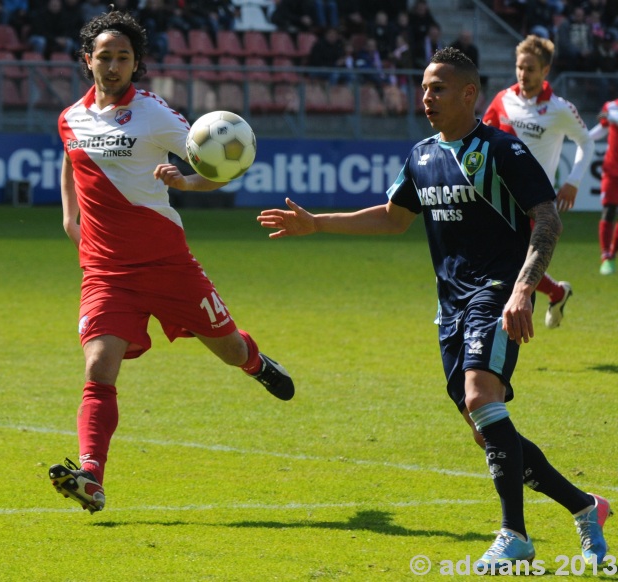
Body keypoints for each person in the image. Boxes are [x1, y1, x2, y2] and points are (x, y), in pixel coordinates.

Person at [258, 47, 611, 570]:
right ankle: (586, 507)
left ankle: (515, 535)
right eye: (424, 88)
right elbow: (393, 217)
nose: (427, 97)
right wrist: (319, 223)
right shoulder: (422, 155)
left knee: (479, 395)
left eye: (439, 88)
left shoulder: (501, 151)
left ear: (470, 94)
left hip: (494, 292)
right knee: (486, 427)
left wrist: (522, 290)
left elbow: (547, 220)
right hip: (449, 307)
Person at [47, 9, 295, 514]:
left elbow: (214, 164)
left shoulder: (154, 113)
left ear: (136, 63)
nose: (113, 66)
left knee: (226, 349)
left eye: (123, 57)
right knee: (99, 364)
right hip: (105, 271)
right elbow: (70, 164)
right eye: (104, 57)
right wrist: (71, 220)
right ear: (87, 60)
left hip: (166, 264)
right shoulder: (70, 117)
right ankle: (91, 474)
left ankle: (255, 362)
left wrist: (189, 182)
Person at [482, 35, 594, 329]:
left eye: (530, 68)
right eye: (519, 67)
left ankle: (509, 327)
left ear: (545, 71)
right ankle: (557, 293)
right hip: (500, 195)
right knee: (509, 262)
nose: (522, 74)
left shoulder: (560, 108)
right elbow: (483, 137)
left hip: (535, 200)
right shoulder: (502, 100)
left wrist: (573, 180)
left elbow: (586, 142)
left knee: (517, 263)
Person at [589, 97, 618, 275]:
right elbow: (603, 127)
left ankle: (613, 252)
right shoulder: (611, 106)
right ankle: (606, 257)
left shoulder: (611, 110)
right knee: (608, 211)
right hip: (611, 170)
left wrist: (611, 116)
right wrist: (583, 137)